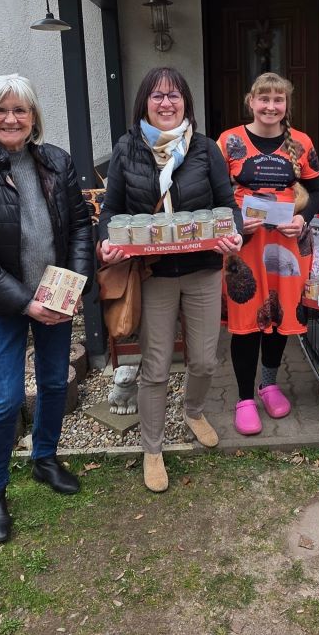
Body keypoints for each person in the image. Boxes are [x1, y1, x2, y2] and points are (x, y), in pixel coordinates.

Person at [0, 74, 94, 543]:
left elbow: (80, 228)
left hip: (54, 298)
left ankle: (45, 459)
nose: (11, 118)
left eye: (20, 110)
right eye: (0, 110)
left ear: (34, 118)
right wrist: (26, 303)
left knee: (53, 383)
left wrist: (70, 288)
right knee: (5, 398)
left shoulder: (56, 161)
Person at [98, 67, 243, 493]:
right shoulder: (127, 149)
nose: (166, 103)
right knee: (157, 367)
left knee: (202, 359)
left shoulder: (205, 148)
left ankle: (194, 411)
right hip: (154, 274)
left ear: (186, 103)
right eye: (158, 96)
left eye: (175, 96)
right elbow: (111, 211)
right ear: (144, 102)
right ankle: (153, 448)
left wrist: (233, 233)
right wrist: (107, 240)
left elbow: (227, 204)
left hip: (201, 270)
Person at [218, 72, 319, 435]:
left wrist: (303, 218)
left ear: (286, 106)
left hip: (287, 244)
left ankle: (269, 384)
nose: (270, 106)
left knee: (279, 317)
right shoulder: (229, 141)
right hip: (245, 246)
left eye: (278, 100)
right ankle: (245, 398)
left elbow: (318, 190)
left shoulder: (301, 143)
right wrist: (234, 222)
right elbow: (215, 194)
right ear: (251, 102)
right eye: (263, 99)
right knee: (247, 321)